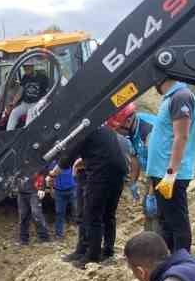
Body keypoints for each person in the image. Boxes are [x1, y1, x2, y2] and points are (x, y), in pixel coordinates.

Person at [57, 104, 133, 267]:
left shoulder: (83, 131)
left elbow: (66, 159)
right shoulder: (104, 129)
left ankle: (92, 256)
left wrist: (51, 175)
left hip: (101, 175)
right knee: (108, 214)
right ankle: (105, 251)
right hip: (118, 174)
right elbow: (101, 152)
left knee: (92, 215)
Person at [146, 77, 195, 252]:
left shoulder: (181, 97)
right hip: (162, 171)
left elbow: (181, 136)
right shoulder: (172, 98)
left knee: (177, 222)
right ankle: (172, 259)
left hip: (170, 174)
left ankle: (182, 262)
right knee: (166, 221)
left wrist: (171, 173)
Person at [15, 171, 50, 245]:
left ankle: (45, 238)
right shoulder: (16, 161)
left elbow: (43, 172)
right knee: (23, 215)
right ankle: (23, 239)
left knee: (36, 214)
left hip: (34, 191)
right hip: (21, 192)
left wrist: (42, 188)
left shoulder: (34, 161)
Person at [51, 162, 76, 241]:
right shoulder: (52, 163)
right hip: (58, 191)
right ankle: (59, 234)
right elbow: (50, 176)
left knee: (76, 209)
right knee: (59, 212)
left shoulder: (69, 160)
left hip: (72, 188)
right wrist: (52, 189)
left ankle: (77, 228)